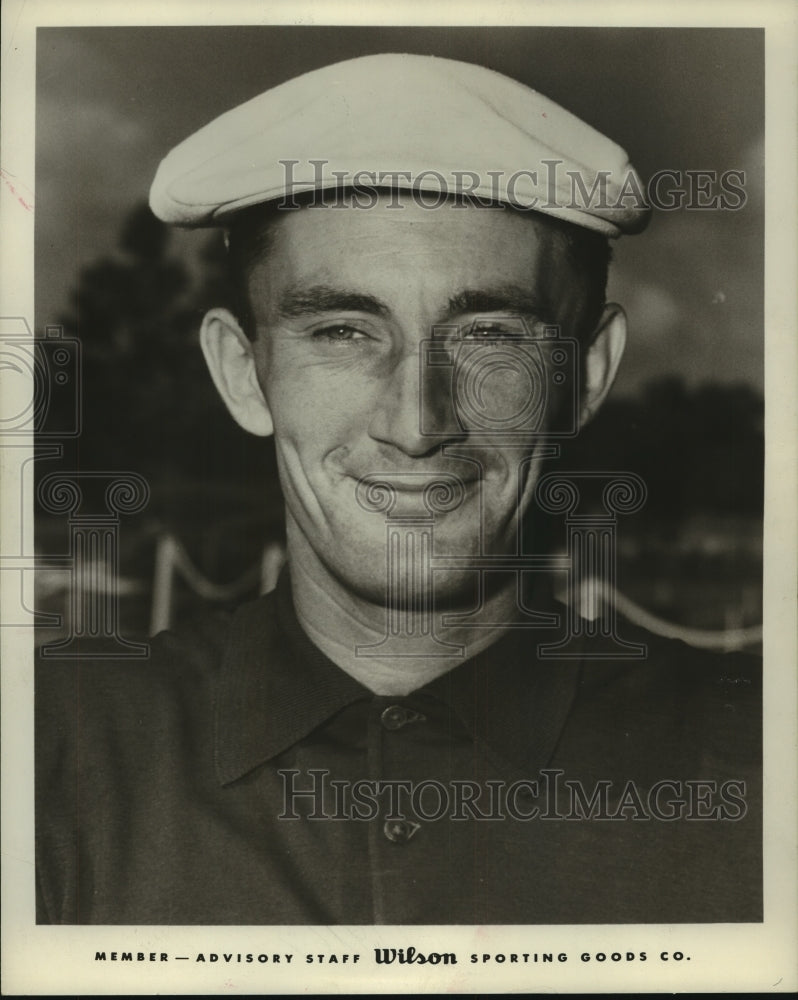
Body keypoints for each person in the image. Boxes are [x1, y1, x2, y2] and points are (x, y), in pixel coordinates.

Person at [35, 53, 760, 925]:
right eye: (342, 331)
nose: (417, 425)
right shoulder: (44, 760)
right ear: (241, 371)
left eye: (490, 334)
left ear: (588, 375)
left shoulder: (759, 767)